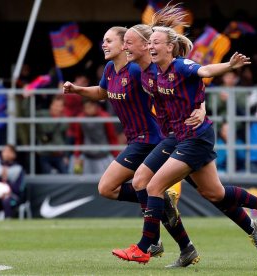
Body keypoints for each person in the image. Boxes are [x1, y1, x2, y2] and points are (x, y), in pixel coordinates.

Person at [112, 25, 257, 265]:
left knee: (151, 185)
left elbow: (202, 72)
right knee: (214, 192)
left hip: (194, 137)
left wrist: (227, 67)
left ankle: (146, 246)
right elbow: (186, 89)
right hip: (177, 136)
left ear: (165, 47)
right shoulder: (147, 73)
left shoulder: (177, 65)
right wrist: (199, 103)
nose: (125, 47)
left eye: (129, 42)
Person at [62, 25, 195, 258]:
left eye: (109, 41)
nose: (104, 44)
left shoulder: (136, 70)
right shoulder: (110, 70)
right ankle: (185, 247)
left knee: (108, 187)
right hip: (136, 140)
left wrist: (196, 108)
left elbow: (165, 81)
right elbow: (102, 93)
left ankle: (154, 237)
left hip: (151, 139)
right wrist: (77, 90)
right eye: (103, 40)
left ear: (124, 44)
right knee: (129, 190)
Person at [72, 99, 119, 174]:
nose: (88, 109)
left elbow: (112, 137)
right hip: (87, 156)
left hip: (103, 156)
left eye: (90, 106)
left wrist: (116, 155)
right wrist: (77, 155)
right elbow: (79, 138)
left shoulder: (105, 118)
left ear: (95, 106)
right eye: (86, 107)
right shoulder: (80, 119)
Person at [0, 144, 25, 219]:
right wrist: (0, 178)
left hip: (12, 196)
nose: (6, 153)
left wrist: (8, 186)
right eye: (4, 151)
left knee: (7, 201)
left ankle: (9, 221)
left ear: (14, 154)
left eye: (9, 151)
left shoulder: (18, 169)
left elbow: (19, 188)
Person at [36, 95, 69, 174]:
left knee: (66, 175)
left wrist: (66, 155)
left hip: (59, 155)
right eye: (55, 105)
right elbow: (27, 114)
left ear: (62, 108)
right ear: (51, 105)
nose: (57, 108)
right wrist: (28, 98)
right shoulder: (42, 115)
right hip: (44, 153)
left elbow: (67, 139)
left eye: (60, 106)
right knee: (48, 175)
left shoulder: (65, 121)